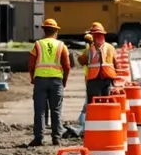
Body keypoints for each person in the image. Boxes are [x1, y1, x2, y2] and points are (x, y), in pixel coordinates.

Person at [27, 18, 71, 146]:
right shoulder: (61, 46)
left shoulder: (38, 44)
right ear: (56, 31)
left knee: (39, 110)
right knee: (56, 110)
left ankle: (38, 137)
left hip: (40, 80)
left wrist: (32, 78)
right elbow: (67, 66)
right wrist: (64, 81)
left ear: (44, 31)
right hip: (56, 81)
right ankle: (56, 137)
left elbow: (31, 64)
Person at [77, 23, 118, 127]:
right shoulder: (110, 48)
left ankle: (95, 126)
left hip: (95, 80)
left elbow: (82, 61)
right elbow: (116, 63)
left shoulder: (90, 49)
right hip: (106, 79)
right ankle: (105, 125)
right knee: (105, 104)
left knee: (94, 105)